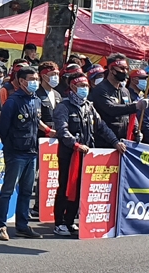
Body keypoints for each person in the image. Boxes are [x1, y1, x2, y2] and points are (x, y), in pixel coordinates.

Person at [53, 73, 125, 236]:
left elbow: (102, 127)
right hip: (69, 154)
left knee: (80, 189)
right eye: (81, 86)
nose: (85, 89)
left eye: (86, 86)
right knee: (65, 187)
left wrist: (115, 142)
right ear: (72, 87)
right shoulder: (63, 106)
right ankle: (59, 223)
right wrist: (76, 145)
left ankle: (70, 221)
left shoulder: (89, 107)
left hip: (87, 155)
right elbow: (62, 131)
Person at [0, 66, 50, 241]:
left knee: (26, 191)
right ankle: (1, 226)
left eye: (36, 79)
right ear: (21, 81)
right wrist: (10, 147)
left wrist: (49, 131)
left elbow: (36, 121)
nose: (35, 82)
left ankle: (22, 225)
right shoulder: (13, 101)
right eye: (31, 79)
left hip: (31, 151)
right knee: (8, 190)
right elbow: (3, 128)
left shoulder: (36, 100)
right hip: (15, 152)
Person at [89, 54, 139, 145]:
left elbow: (131, 114)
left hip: (124, 141)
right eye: (121, 68)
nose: (125, 72)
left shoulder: (125, 91)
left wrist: (136, 129)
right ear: (111, 69)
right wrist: (135, 106)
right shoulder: (100, 89)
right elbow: (111, 109)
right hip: (105, 142)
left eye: (126, 69)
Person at [36, 62, 61, 129]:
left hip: (55, 133)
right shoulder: (36, 94)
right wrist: (47, 130)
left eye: (57, 74)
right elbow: (34, 117)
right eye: (53, 74)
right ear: (43, 76)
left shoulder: (57, 95)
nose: (56, 77)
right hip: (40, 134)